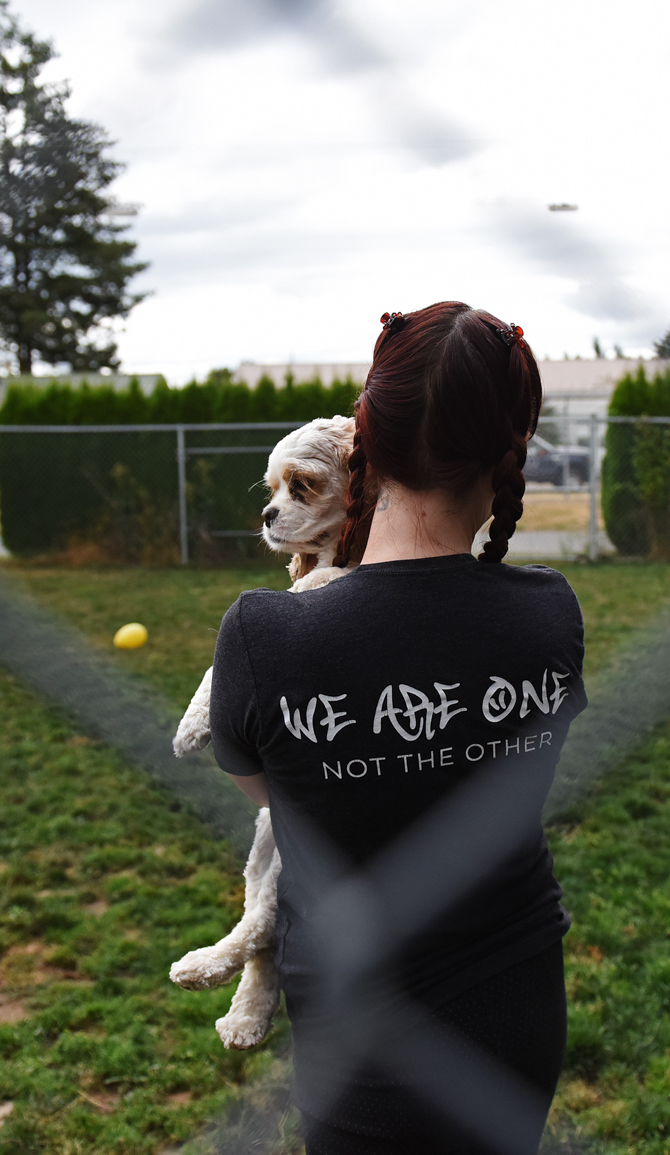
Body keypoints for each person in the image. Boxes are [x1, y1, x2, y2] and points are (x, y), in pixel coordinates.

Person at [208, 301, 588, 1154]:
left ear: (362, 439)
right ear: (508, 452)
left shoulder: (265, 635)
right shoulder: (548, 617)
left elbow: (270, 793)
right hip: (515, 1010)